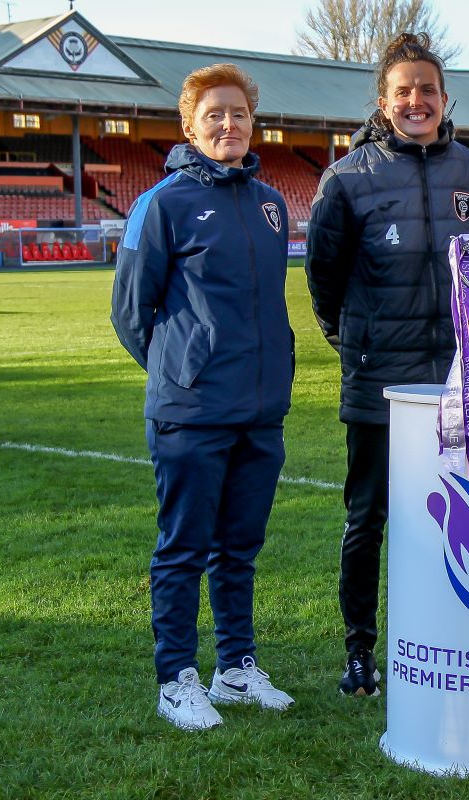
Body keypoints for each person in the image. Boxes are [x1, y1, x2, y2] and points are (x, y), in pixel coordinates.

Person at [305, 32, 469, 697]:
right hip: (381, 386)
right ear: (383, 101)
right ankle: (360, 652)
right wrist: (359, 345)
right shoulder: (347, 178)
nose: (415, 100)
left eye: (427, 89)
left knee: (461, 513)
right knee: (368, 519)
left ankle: (449, 636)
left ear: (445, 99)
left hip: (460, 382)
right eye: (403, 91)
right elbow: (324, 284)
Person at [111, 63, 296, 731]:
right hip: (191, 413)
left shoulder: (273, 204)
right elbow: (132, 313)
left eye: (239, 113)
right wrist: (182, 372)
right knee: (183, 548)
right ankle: (176, 678)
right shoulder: (160, 203)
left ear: (253, 123)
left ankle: (237, 670)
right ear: (188, 125)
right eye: (214, 114)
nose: (228, 124)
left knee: (239, 549)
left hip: (260, 410)